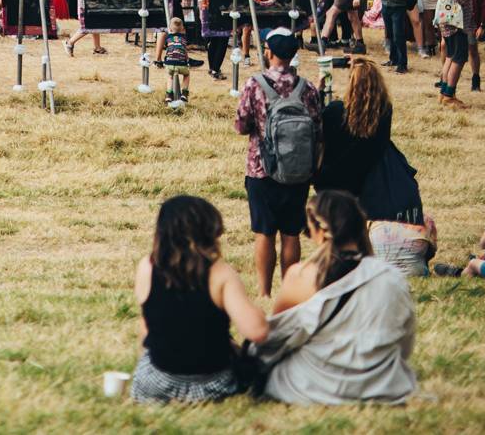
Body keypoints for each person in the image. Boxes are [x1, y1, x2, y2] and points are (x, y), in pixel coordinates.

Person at [256, 189, 419, 405]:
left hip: (314, 385)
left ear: (320, 232)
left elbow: (276, 338)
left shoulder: (301, 275)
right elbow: (404, 340)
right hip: (381, 385)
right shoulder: (391, 276)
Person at [129, 195, 267, 403]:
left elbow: (146, 327)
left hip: (156, 382)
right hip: (213, 383)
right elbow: (257, 331)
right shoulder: (221, 273)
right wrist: (259, 313)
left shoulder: (146, 267)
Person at [315, 58, 435, 275]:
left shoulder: (334, 112)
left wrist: (320, 89)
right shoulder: (384, 112)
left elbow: (321, 132)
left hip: (338, 178)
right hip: (372, 177)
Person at [234, 28, 322, 298]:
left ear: (268, 52)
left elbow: (241, 124)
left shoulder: (254, 84)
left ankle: (263, 293)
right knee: (291, 232)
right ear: (294, 54)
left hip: (261, 167)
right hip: (297, 169)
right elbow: (318, 129)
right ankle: (289, 289)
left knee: (264, 231)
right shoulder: (306, 87)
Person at [435, 0, 475, 108]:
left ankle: (444, 92)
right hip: (455, 22)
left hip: (447, 20)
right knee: (459, 58)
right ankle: (449, 94)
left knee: (451, 56)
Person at [160, 15, 192, 105]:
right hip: (181, 63)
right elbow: (185, 51)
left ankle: (169, 95)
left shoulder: (168, 37)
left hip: (169, 62)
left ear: (169, 28)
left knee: (169, 76)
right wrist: (187, 60)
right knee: (186, 75)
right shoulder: (184, 38)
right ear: (182, 29)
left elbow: (167, 48)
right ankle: (184, 93)